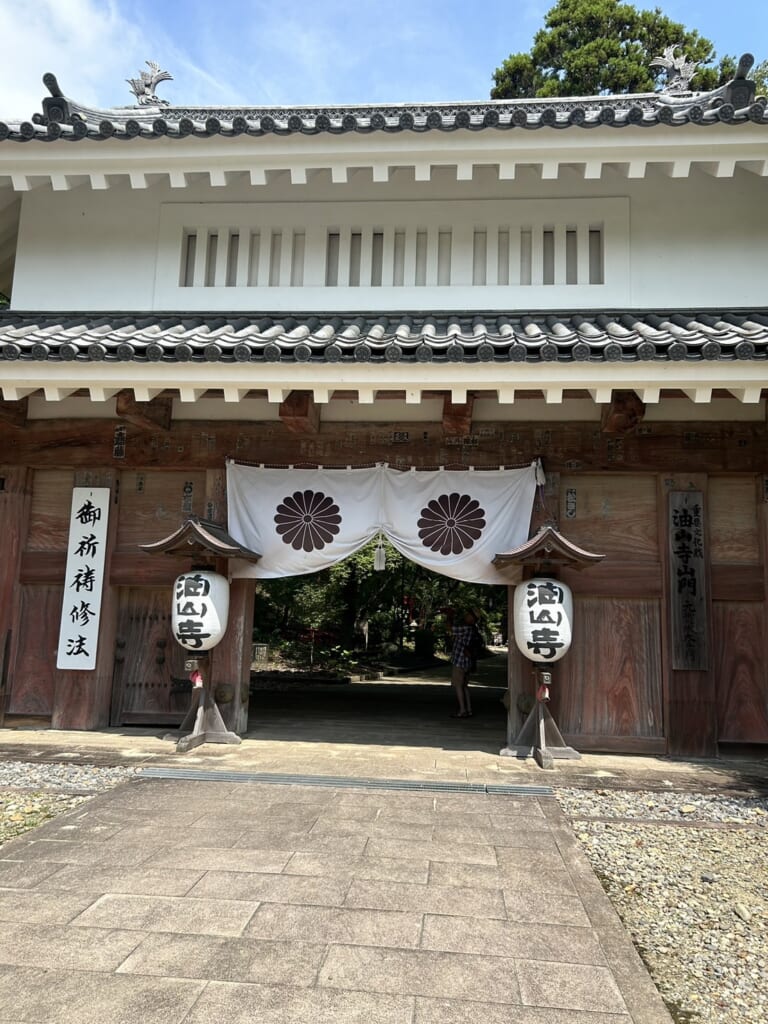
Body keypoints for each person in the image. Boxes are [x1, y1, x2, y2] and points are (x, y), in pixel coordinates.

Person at [445, 608, 478, 718]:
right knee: (464, 686)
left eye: (468, 614)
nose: (466, 615)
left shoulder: (465, 628)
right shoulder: (473, 629)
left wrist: (449, 615)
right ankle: (469, 709)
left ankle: (462, 710)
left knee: (458, 685)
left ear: (472, 618)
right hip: (467, 661)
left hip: (460, 660)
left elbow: (450, 628)